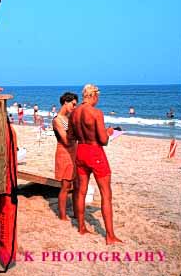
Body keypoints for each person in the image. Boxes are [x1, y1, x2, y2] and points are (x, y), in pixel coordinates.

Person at [68, 84, 122, 245]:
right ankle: (110, 236)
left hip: (81, 151)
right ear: (93, 96)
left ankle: (81, 227)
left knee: (81, 191)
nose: (98, 100)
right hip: (94, 152)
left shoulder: (74, 113)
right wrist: (109, 132)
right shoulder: (96, 113)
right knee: (106, 194)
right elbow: (104, 141)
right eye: (97, 97)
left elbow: (71, 136)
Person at [53, 92, 78, 220]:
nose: (74, 107)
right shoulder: (57, 120)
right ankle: (62, 216)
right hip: (64, 153)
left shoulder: (69, 118)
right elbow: (66, 140)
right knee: (66, 186)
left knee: (76, 185)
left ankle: (75, 213)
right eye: (73, 104)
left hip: (74, 152)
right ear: (65, 102)